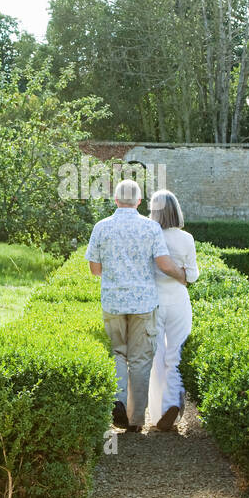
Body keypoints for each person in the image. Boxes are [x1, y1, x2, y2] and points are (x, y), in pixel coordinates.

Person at [85, 179, 187, 432]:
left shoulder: (101, 227)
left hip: (113, 302)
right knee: (141, 359)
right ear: (139, 201)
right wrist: (182, 276)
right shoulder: (150, 228)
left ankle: (118, 400)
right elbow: (164, 264)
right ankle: (135, 420)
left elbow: (94, 270)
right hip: (144, 303)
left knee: (119, 353)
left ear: (116, 200)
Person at [147, 190, 199, 432]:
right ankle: (174, 407)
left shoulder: (149, 234)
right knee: (175, 354)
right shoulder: (186, 238)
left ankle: (158, 413)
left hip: (153, 300)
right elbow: (193, 275)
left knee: (156, 355)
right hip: (178, 299)